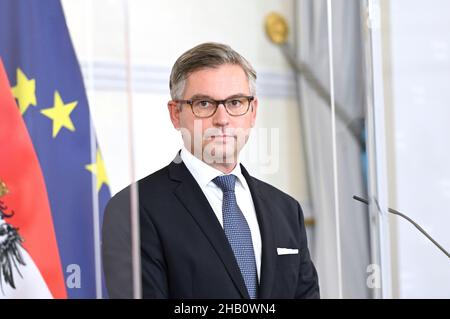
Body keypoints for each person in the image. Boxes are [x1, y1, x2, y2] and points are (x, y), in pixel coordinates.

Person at [102, 42, 320, 299]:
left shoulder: (286, 210)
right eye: (204, 104)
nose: (222, 119)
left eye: (236, 102)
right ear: (175, 114)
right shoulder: (133, 209)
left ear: (253, 112)